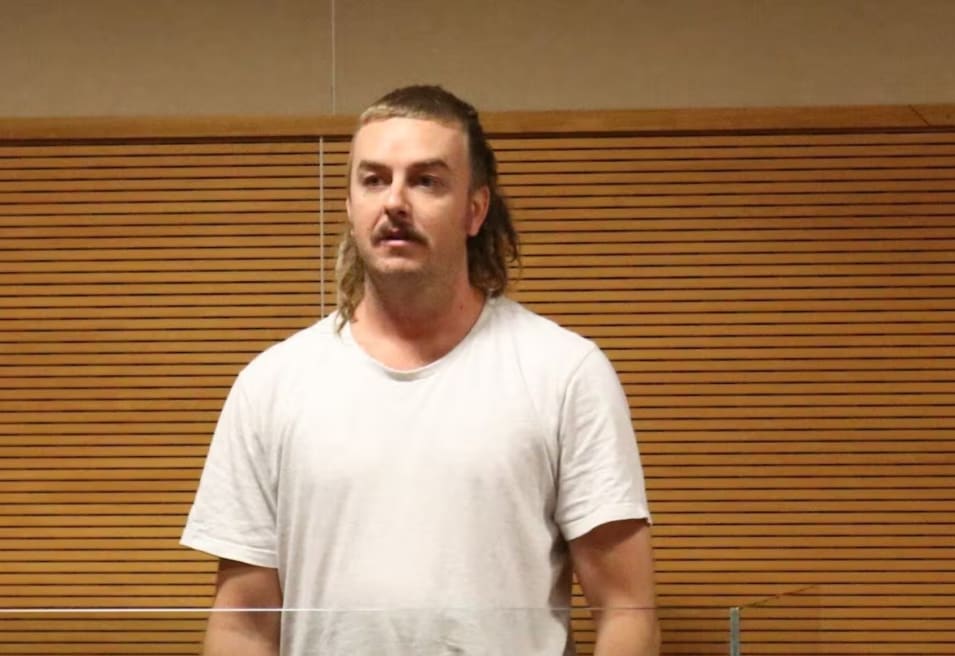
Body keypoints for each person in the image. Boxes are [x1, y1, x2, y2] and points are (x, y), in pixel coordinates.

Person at [181, 84, 659, 655]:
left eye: (426, 180)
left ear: (474, 209)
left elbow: (626, 612)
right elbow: (242, 621)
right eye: (374, 179)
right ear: (352, 205)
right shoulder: (273, 384)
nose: (395, 202)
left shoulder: (563, 372)